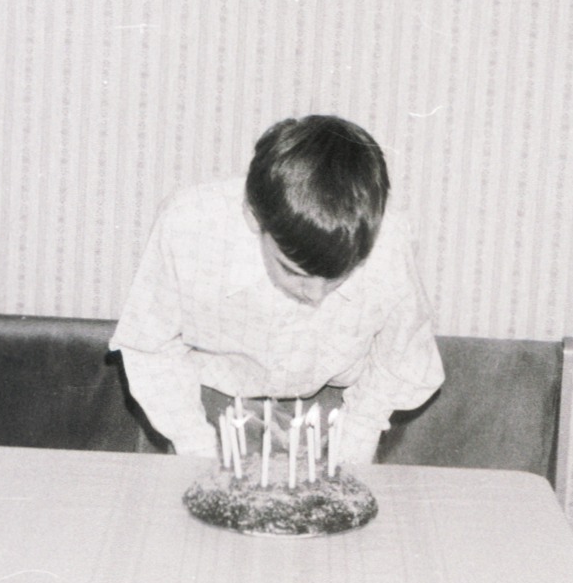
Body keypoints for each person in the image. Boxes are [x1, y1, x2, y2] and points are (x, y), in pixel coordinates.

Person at [111, 114, 445, 463]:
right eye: (295, 271)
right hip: (201, 402)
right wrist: (196, 449)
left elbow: (400, 360)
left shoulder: (388, 241)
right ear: (254, 217)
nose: (315, 296)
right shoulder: (189, 225)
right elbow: (149, 348)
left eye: (336, 278)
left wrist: (355, 441)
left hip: (338, 407)